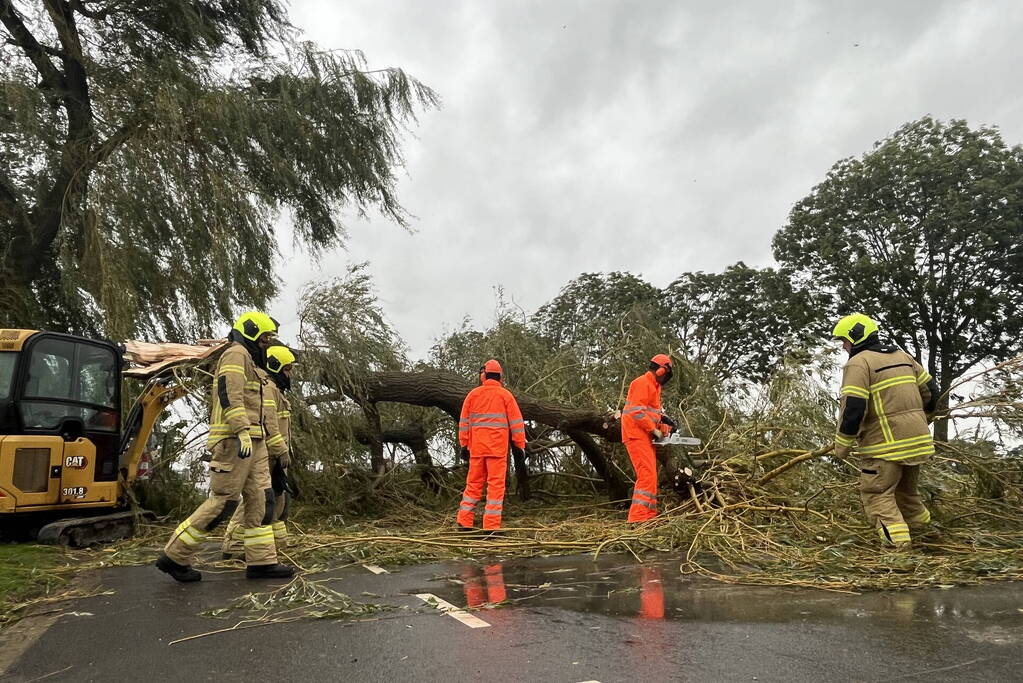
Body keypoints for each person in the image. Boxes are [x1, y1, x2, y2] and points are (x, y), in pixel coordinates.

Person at [155, 312, 295, 581]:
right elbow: (229, 393)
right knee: (224, 502)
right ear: (250, 332)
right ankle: (174, 556)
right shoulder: (235, 354)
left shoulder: (254, 365)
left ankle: (262, 562)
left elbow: (262, 410)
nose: (267, 343)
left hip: (256, 442)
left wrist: (267, 443)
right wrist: (241, 430)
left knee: (262, 500)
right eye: (265, 337)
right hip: (234, 442)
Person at [832, 313, 939, 547]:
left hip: (884, 448)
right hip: (916, 443)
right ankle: (927, 539)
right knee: (906, 496)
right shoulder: (904, 357)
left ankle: (899, 552)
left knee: (878, 496)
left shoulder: (859, 363)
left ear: (855, 337)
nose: (843, 346)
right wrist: (922, 420)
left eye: (844, 340)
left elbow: (854, 408)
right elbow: (932, 392)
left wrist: (842, 446)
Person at [222, 345, 296, 558]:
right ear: (276, 366)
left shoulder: (277, 391)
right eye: (287, 369)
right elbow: (269, 421)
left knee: (277, 499)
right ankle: (234, 544)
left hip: (276, 456)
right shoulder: (269, 389)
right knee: (255, 500)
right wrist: (279, 449)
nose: (289, 375)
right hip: (269, 454)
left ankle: (275, 544)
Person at [456, 359, 526, 532]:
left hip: (477, 450)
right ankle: (491, 526)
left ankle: (464, 521)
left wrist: (464, 445)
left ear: (483, 375)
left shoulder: (472, 395)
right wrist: (519, 446)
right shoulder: (506, 396)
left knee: (473, 485)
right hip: (497, 450)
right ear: (500, 377)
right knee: (495, 488)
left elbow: (464, 423)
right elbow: (517, 424)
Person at [622, 354, 677, 523]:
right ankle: (638, 518)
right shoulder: (642, 383)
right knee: (646, 476)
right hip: (635, 434)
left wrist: (664, 421)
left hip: (644, 435)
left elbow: (651, 412)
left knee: (651, 476)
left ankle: (649, 515)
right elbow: (636, 412)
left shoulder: (654, 387)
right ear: (661, 371)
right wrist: (653, 429)